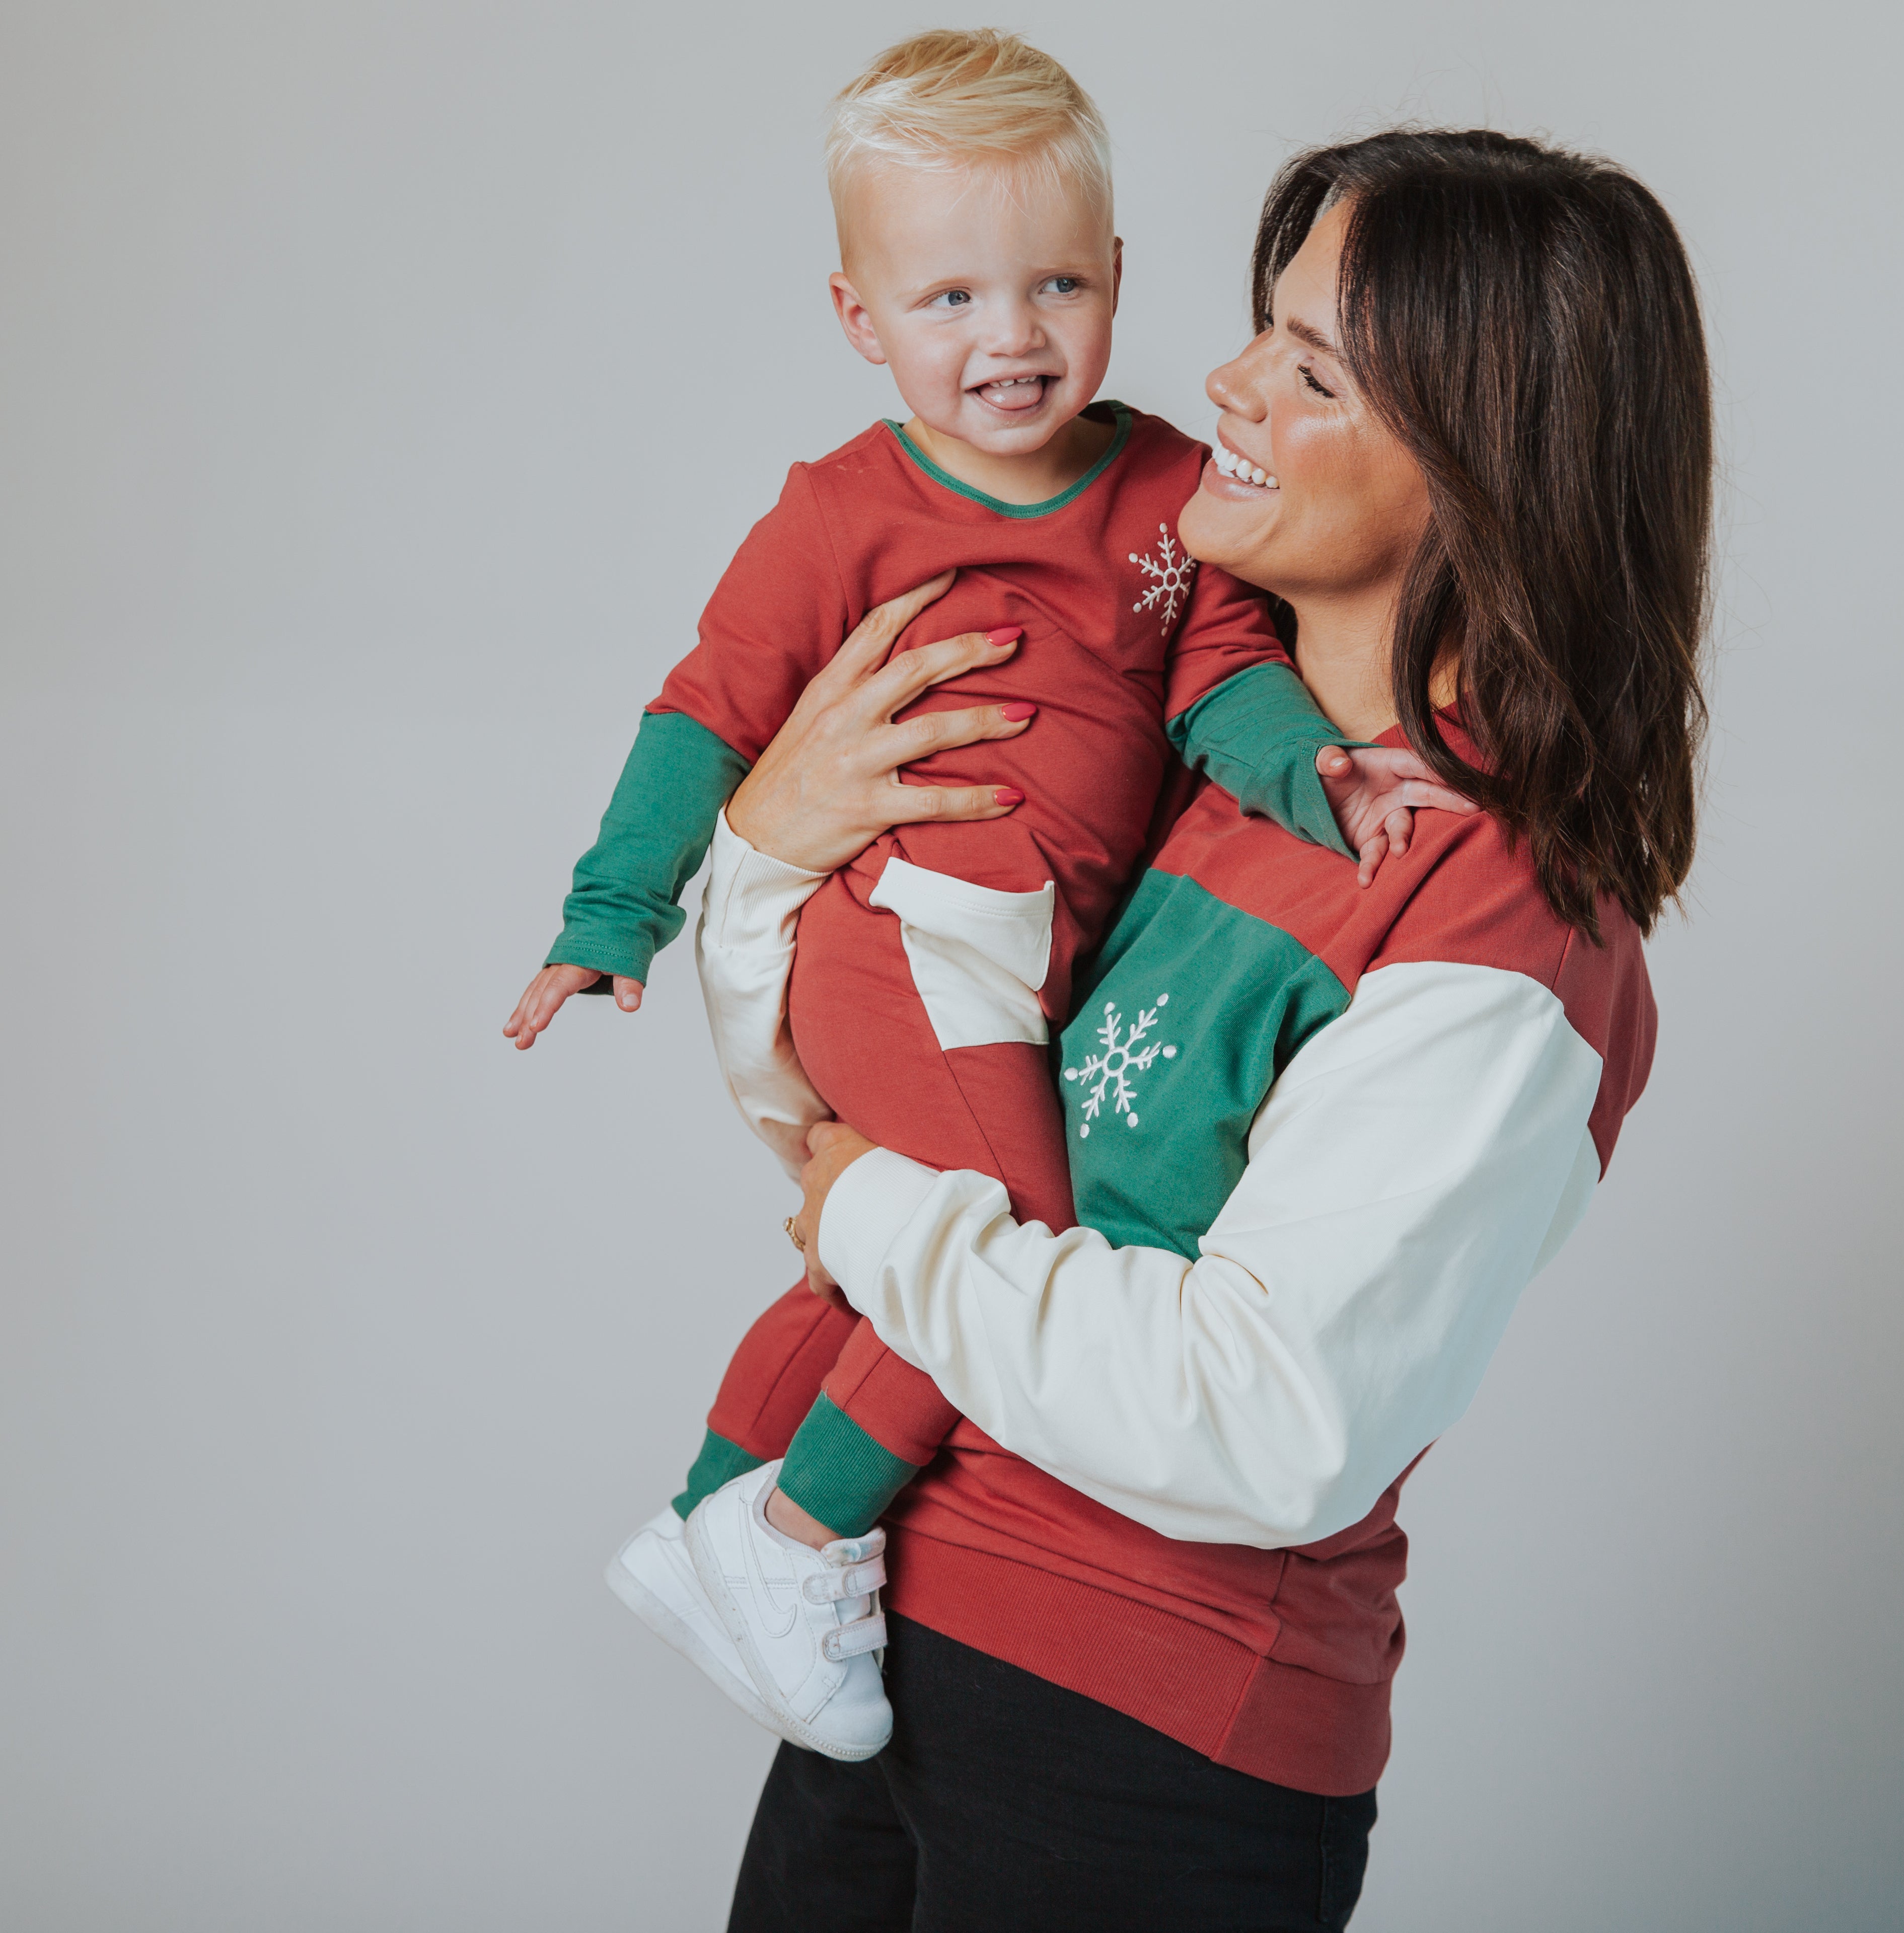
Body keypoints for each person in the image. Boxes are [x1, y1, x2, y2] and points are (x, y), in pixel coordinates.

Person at [699, 128, 1710, 1929]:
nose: (1226, 382)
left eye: (1312, 369)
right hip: (880, 1637)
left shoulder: (1505, 919)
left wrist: (871, 1216)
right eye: (1264, 325)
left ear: (1485, 470)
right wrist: (765, 852)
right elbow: (835, 1101)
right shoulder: (1152, 743)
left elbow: (1263, 1418)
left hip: (1148, 1748)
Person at [500, 31, 1459, 1759]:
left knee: (891, 1268)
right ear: (861, 320)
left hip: (1029, 963)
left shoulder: (1176, 494)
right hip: (906, 933)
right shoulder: (842, 514)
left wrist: (1308, 769)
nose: (1008, 339)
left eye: (1054, 286)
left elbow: (1222, 681)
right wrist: (611, 912)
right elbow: (707, 710)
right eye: (947, 300)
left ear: (1116, 282)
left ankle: (714, 1506)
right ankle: (799, 1543)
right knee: (1002, 1240)